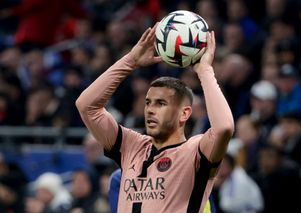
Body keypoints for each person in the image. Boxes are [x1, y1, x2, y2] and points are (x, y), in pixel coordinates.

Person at [76, 24, 234, 213]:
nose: (150, 110)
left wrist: (205, 71)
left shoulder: (196, 152)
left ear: (184, 113)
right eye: (148, 102)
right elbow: (87, 106)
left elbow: (223, 127)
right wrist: (130, 61)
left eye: (161, 103)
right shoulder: (132, 146)